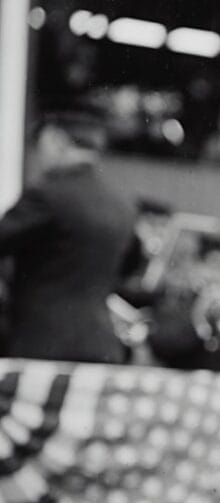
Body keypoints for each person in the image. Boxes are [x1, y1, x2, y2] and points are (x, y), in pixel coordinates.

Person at [0, 106, 137, 363]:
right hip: (102, 346)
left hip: (42, 346)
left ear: (55, 140)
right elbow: (129, 267)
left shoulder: (48, 194)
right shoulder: (122, 204)